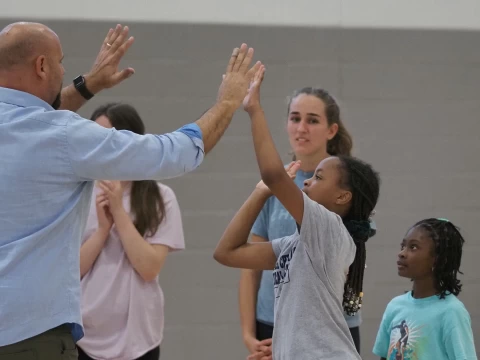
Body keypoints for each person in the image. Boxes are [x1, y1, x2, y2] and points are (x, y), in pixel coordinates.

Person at [0, 21, 261, 359]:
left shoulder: (40, 133)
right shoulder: (65, 137)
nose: (65, 71)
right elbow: (175, 153)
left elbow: (32, 121)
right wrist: (226, 103)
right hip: (29, 335)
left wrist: (86, 85)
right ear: (41, 66)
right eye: (61, 62)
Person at [214, 66, 380, 359]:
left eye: (318, 178)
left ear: (343, 196)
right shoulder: (296, 243)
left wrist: (254, 110)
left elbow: (273, 174)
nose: (307, 182)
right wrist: (260, 192)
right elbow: (227, 253)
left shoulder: (328, 227)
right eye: (295, 118)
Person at [75, 103, 183, 360]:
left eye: (107, 139)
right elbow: (71, 270)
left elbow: (149, 268)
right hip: (84, 336)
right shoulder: (79, 194)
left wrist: (119, 214)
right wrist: (103, 230)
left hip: (139, 339)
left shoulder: (159, 197)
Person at [373, 218, 477, 360]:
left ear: (438, 258)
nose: (402, 253)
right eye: (403, 246)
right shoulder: (395, 306)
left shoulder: (451, 312)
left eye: (413, 247)